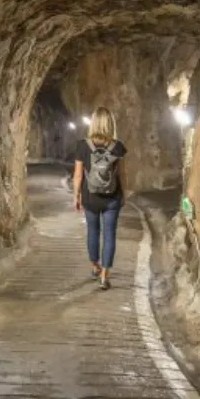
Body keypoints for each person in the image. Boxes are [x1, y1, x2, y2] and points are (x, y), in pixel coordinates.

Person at [72, 107, 128, 290]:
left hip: (91, 197)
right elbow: (122, 175)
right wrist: (124, 193)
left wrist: (76, 196)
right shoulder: (118, 146)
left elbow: (78, 175)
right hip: (112, 197)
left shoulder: (83, 145)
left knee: (93, 232)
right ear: (110, 123)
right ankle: (105, 275)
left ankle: (95, 266)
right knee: (110, 235)